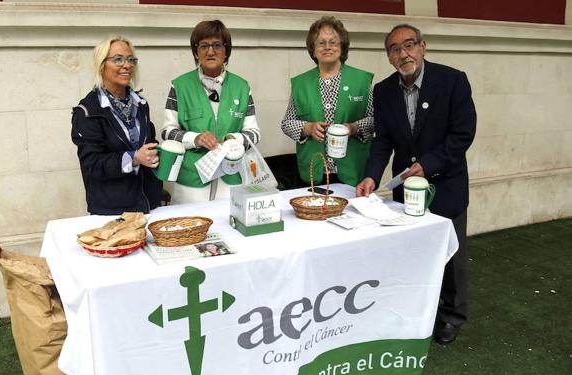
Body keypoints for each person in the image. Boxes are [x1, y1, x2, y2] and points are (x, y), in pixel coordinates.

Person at [356, 24, 477, 344]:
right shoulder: (383, 91)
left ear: (422, 47)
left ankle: (451, 314)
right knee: (411, 254)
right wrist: (371, 175)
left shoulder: (453, 81)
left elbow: (463, 134)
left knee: (451, 256)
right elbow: (383, 141)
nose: (403, 53)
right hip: (405, 190)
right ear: (389, 57)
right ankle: (414, 307)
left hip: (446, 184)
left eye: (409, 45)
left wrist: (430, 164)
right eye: (395, 49)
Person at [161, 20, 261, 204]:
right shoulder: (179, 86)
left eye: (217, 45)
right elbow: (167, 132)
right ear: (196, 51)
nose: (210, 51)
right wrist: (195, 138)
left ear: (226, 51)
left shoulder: (242, 86)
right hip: (191, 183)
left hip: (232, 178)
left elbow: (254, 134)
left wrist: (233, 139)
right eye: (203, 45)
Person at [71, 36, 162, 215]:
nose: (127, 65)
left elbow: (149, 144)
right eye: (118, 59)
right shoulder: (88, 111)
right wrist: (134, 158)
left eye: (131, 59)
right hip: (111, 211)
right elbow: (92, 165)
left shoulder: (140, 103)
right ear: (101, 65)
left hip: (147, 205)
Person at [281, 16, 374, 187]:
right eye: (321, 43)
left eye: (333, 42)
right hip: (314, 172)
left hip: (353, 171)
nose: (328, 47)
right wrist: (307, 128)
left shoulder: (362, 80)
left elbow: (375, 120)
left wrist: (354, 128)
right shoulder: (301, 83)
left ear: (342, 46)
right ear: (313, 49)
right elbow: (287, 123)